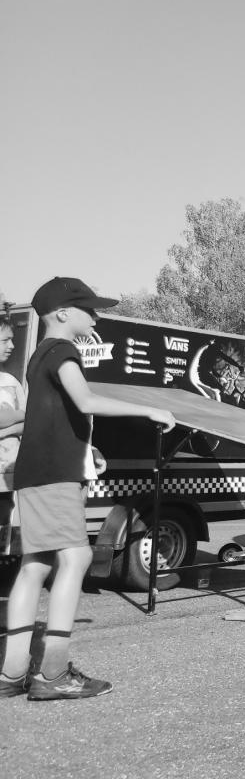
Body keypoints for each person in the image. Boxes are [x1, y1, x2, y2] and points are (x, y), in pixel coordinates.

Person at [1, 277, 176, 701]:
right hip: (54, 474)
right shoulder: (63, 351)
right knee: (76, 557)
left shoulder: (39, 355)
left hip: (34, 472)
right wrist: (149, 409)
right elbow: (85, 401)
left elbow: (45, 417)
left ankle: (12, 672)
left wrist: (84, 447)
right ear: (63, 313)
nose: (96, 316)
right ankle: (53, 673)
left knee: (36, 564)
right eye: (89, 309)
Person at [0, 313, 24, 491]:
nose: (12, 346)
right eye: (5, 340)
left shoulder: (11, 382)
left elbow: (30, 423)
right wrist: (20, 414)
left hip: (9, 475)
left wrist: (5, 431)